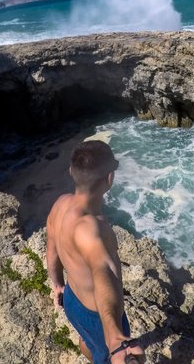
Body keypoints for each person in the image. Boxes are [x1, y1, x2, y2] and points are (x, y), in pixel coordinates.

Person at [46, 140, 145, 364]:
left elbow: (51, 249)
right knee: (104, 354)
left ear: (71, 172)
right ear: (109, 178)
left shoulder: (60, 204)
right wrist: (114, 337)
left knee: (89, 341)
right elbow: (103, 275)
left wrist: (57, 284)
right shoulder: (93, 229)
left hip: (72, 299)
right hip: (97, 316)